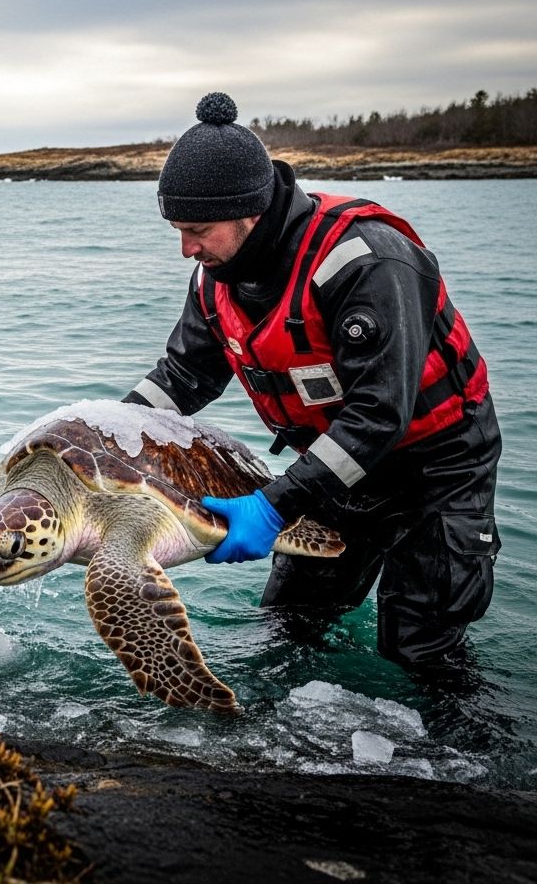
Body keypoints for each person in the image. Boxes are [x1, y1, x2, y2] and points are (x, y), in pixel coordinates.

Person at [125, 90, 501, 674]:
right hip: (334, 470)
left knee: (418, 648)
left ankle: (469, 761)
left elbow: (379, 415)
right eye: (177, 229)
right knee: (288, 628)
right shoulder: (216, 279)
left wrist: (272, 508)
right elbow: (182, 377)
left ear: (250, 210)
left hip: (437, 465)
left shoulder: (367, 262)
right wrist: (102, 436)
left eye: (197, 229)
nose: (186, 250)